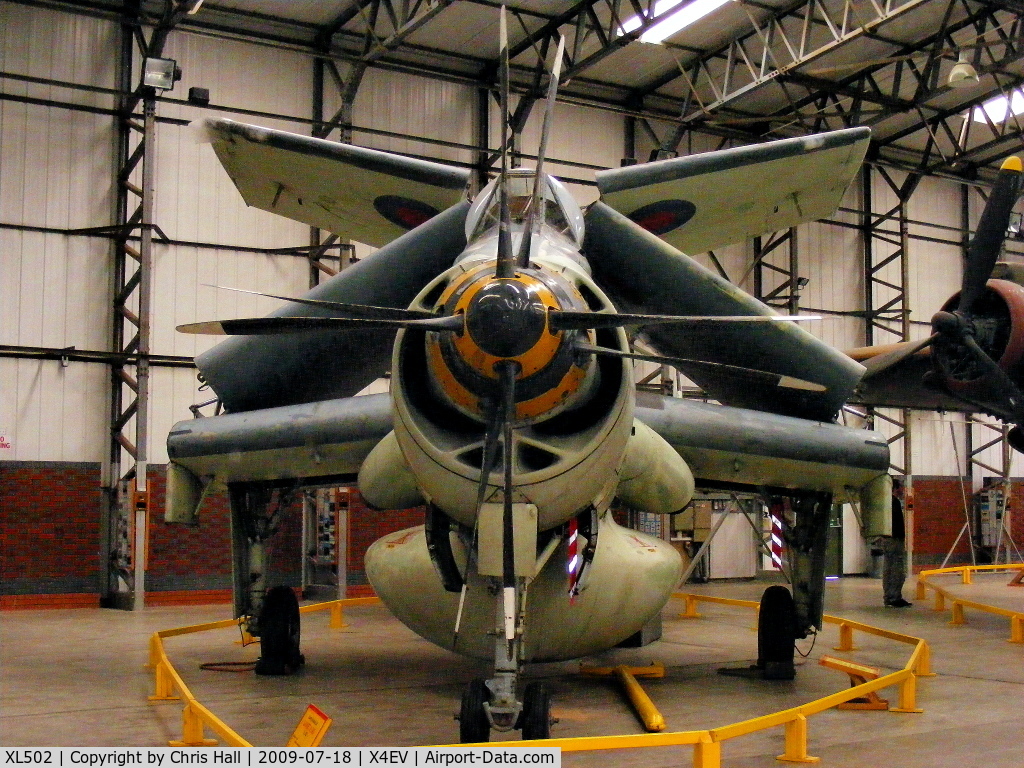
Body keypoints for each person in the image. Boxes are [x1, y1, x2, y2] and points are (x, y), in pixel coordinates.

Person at [883, 478, 912, 607]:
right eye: (901, 487)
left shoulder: (888, 502)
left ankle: (889, 597)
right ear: (896, 488)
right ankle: (894, 597)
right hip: (894, 539)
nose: (903, 490)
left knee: (889, 567)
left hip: (889, 538)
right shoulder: (893, 503)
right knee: (897, 568)